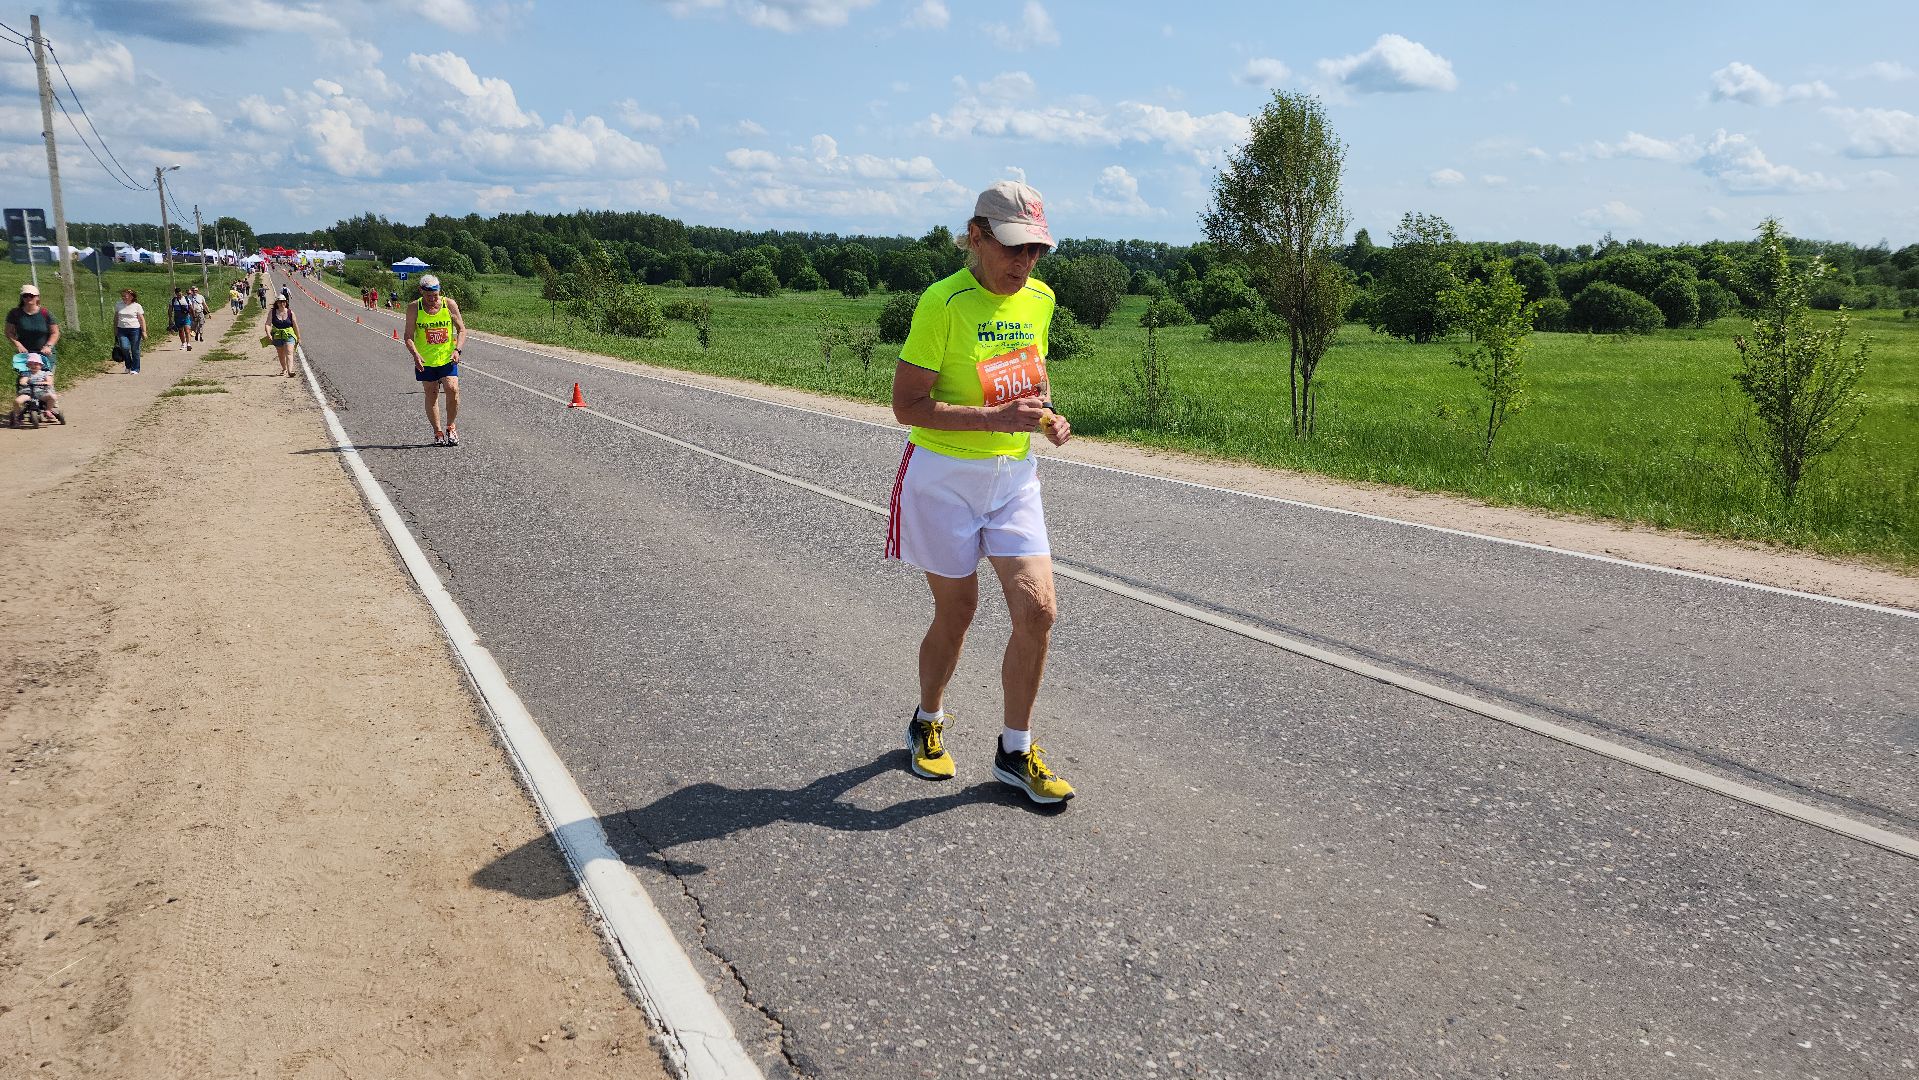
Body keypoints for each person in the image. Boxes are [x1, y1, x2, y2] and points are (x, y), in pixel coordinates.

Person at [886, 180, 1074, 805]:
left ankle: (1014, 751)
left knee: (1039, 611)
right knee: (958, 611)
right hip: (944, 477)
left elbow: (1026, 385)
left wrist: (1046, 418)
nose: (1025, 264)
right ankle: (927, 720)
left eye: (1036, 251)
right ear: (975, 237)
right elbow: (906, 407)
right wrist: (996, 420)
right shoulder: (943, 304)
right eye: (1014, 249)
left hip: (1013, 478)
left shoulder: (1041, 299)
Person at [404, 274, 466, 445]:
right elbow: (408, 336)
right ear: (421, 291)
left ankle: (451, 427)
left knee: (452, 389)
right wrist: (415, 354)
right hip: (425, 360)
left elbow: (462, 330)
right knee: (432, 394)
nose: (432, 299)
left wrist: (457, 350)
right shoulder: (414, 308)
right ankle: (437, 432)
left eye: (435, 295)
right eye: (428, 296)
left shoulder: (449, 304)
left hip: (447, 357)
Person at [6, 283, 60, 370]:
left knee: (45, 380)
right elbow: (9, 332)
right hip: (25, 353)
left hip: (44, 353)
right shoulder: (15, 313)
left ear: (37, 297)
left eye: (31, 296)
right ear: (22, 297)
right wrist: (18, 345)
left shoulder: (45, 313)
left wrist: (48, 346)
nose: (28, 298)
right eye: (25, 296)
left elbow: (55, 332)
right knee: (24, 381)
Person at [11, 352, 59, 426]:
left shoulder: (46, 373)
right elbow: (23, 380)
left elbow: (49, 381)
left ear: (41, 365)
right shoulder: (26, 373)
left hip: (42, 393)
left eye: (36, 364)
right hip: (28, 393)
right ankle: (17, 416)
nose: (33, 366)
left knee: (53, 397)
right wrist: (23, 382)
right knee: (17, 401)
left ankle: (48, 411)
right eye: (30, 364)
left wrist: (45, 383)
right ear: (27, 365)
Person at [264, 295, 301, 378]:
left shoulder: (290, 312)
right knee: (281, 354)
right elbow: (268, 324)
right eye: (280, 302)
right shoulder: (272, 312)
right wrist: (269, 334)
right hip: (277, 335)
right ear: (277, 303)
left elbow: (295, 325)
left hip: (289, 334)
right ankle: (284, 369)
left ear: (286, 302)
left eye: (284, 301)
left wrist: (298, 337)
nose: (282, 303)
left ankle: (290, 371)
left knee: (289, 352)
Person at [114, 288, 148, 374]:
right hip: (122, 330)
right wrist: (115, 329)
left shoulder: (137, 306)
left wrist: (144, 331)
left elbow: (141, 319)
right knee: (124, 348)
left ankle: (135, 368)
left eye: (125, 295)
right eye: (122, 296)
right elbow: (116, 317)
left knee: (135, 349)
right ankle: (128, 365)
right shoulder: (119, 305)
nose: (123, 297)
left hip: (135, 330)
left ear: (131, 297)